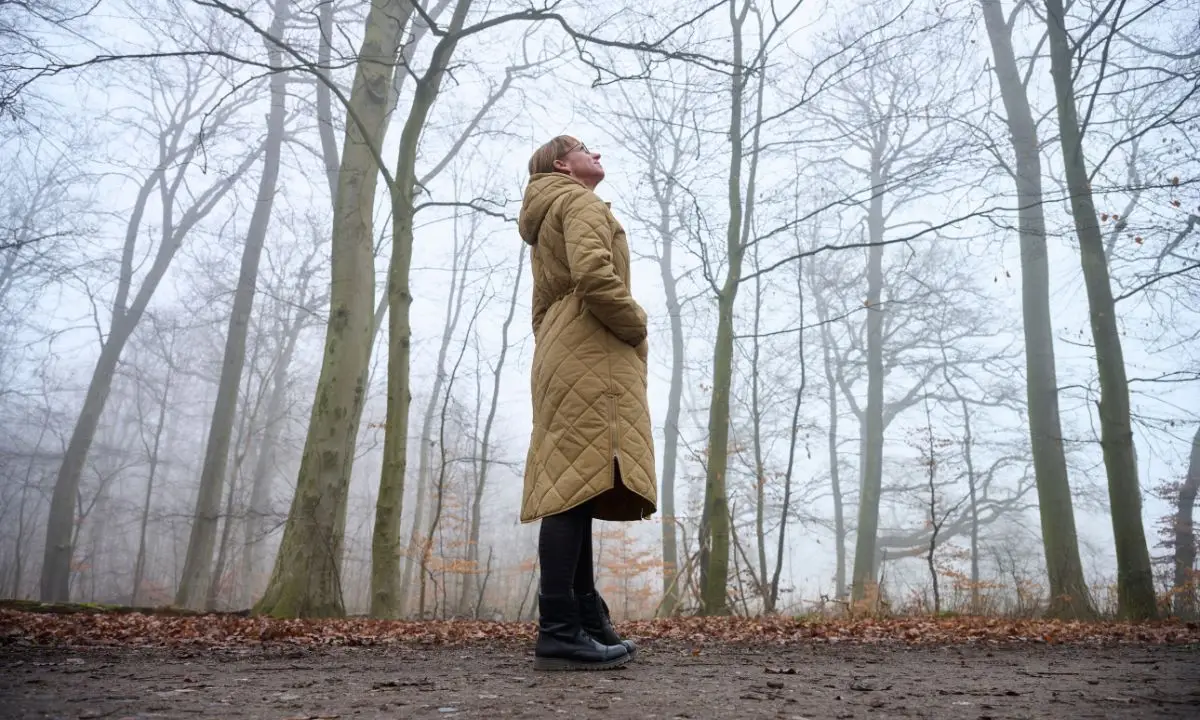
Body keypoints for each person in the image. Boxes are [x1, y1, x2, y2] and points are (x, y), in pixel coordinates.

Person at [517, 136, 658, 671]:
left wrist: (557, 337)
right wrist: (636, 326)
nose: (595, 155)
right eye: (584, 149)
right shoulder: (578, 201)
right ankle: (559, 631)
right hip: (590, 347)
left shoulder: (546, 209)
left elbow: (541, 306)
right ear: (562, 163)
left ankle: (583, 619)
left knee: (574, 482)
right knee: (572, 492)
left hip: (561, 347)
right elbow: (595, 277)